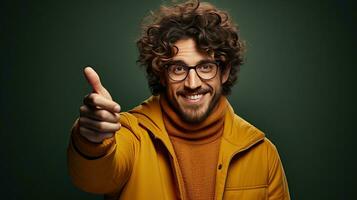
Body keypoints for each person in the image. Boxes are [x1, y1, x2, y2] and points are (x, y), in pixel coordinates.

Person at [67, 1, 290, 199]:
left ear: (224, 72)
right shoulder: (130, 135)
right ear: (162, 74)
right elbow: (94, 180)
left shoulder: (262, 153)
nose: (192, 82)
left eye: (205, 67)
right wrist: (92, 139)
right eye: (178, 68)